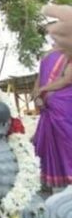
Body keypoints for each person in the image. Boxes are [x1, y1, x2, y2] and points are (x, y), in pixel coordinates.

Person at [32, 49, 72, 190]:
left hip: (66, 109)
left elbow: (68, 79)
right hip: (48, 110)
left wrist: (44, 89)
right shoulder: (46, 55)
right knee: (50, 146)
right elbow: (39, 78)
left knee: (67, 146)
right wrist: (37, 97)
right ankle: (57, 188)